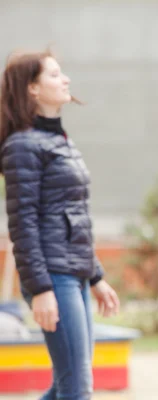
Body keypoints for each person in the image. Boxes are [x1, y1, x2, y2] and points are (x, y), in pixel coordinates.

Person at [0, 50, 120, 400]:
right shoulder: (21, 145)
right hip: (53, 277)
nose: (65, 79)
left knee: (67, 385)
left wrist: (95, 276)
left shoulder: (58, 140)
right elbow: (22, 224)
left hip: (73, 273)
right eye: (54, 75)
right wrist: (40, 289)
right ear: (32, 89)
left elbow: (74, 217)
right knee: (76, 388)